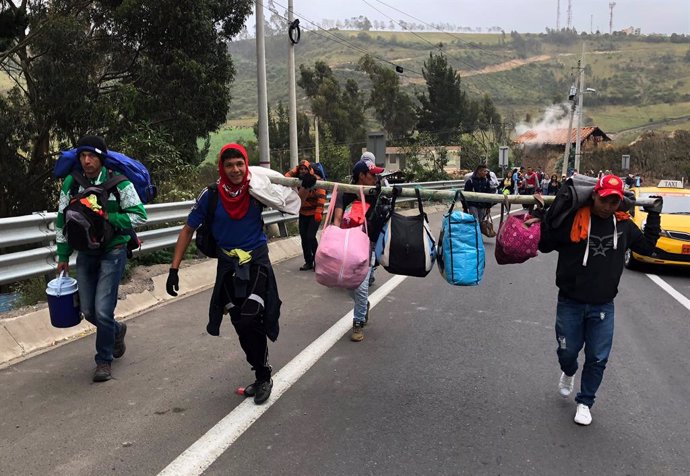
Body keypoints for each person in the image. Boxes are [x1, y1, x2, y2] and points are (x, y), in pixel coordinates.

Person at [165, 143, 293, 405]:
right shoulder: (210, 195)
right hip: (228, 267)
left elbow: (289, 197)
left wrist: (305, 179)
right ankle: (260, 373)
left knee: (250, 317)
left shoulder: (257, 189)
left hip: (256, 262)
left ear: (246, 165)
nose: (235, 169)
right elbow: (187, 230)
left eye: (239, 164)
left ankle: (264, 374)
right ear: (221, 168)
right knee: (239, 323)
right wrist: (173, 269)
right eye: (229, 165)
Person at [535, 174, 662, 425]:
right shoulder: (573, 219)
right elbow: (545, 245)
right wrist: (545, 215)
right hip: (570, 301)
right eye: (604, 200)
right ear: (594, 195)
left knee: (597, 357)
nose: (608, 206)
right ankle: (569, 371)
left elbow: (646, 248)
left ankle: (585, 401)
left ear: (620, 202)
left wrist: (655, 215)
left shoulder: (623, 225)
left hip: (603, 305)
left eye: (614, 202)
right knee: (567, 352)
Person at [55, 135, 147, 382]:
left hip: (113, 250)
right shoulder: (72, 184)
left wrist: (109, 218)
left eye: (92, 156)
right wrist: (62, 255)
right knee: (88, 310)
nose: (87, 161)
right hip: (85, 252)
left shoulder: (119, 183)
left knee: (103, 311)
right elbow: (61, 220)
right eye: (83, 156)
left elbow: (140, 216)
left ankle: (103, 361)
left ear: (101, 158)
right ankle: (117, 331)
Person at [332, 158, 385, 342]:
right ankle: (363, 306)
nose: (376, 178)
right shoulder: (344, 193)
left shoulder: (376, 193)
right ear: (361, 176)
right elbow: (337, 219)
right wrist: (336, 241)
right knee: (348, 284)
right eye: (372, 175)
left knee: (361, 286)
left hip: (366, 245)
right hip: (346, 244)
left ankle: (358, 322)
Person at [285, 160, 326, 271]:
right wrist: (295, 169)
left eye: (305, 169)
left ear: (309, 170)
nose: (303, 171)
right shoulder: (298, 181)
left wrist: (318, 211)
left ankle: (318, 261)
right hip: (303, 213)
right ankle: (308, 261)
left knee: (310, 237)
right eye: (301, 169)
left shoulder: (316, 180)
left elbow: (322, 196)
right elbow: (285, 177)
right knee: (304, 238)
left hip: (315, 213)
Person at [464, 164, 494, 236]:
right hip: (473, 205)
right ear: (479, 171)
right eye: (484, 171)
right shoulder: (470, 182)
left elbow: (488, 195)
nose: (486, 173)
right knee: (475, 221)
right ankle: (475, 237)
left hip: (482, 206)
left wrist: (488, 207)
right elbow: (464, 195)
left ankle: (478, 238)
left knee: (480, 222)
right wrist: (465, 207)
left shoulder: (486, 182)